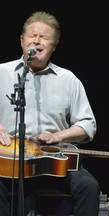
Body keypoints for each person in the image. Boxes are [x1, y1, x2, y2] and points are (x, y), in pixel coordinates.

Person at [0, 11, 100, 216]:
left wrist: (58, 136)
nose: (36, 41)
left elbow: (88, 124)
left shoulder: (68, 80)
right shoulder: (2, 73)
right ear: (21, 41)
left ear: (53, 46)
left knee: (88, 186)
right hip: (7, 161)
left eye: (44, 38)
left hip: (53, 163)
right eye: (32, 36)